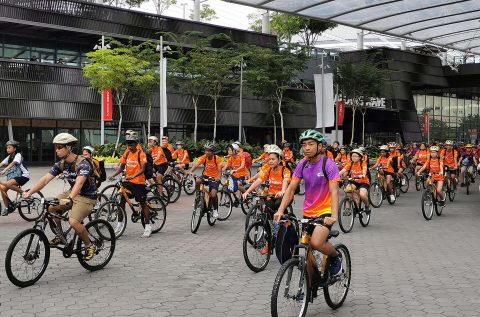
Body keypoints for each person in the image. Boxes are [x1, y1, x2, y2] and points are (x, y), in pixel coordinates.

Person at [274, 129, 343, 277]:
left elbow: (334, 192)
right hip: (308, 212)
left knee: (317, 243)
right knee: (307, 249)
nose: (307, 148)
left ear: (320, 146)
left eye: (311, 144)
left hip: (325, 212)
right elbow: (291, 189)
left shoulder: (329, 165)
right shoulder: (302, 164)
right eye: (304, 145)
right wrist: (280, 210)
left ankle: (336, 256)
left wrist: (334, 216)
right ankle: (308, 288)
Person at [23, 133, 97, 260]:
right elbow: (45, 179)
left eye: (59, 147)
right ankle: (61, 237)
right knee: (51, 209)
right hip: (72, 192)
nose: (56, 150)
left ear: (68, 148)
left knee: (73, 221)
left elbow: (79, 183)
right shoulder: (61, 164)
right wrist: (29, 192)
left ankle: (89, 245)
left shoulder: (83, 164)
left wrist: (69, 199)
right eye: (56, 147)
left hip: (87, 196)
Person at [243, 144, 291, 254]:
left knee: (279, 206)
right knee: (267, 215)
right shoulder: (268, 170)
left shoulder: (285, 170)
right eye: (269, 159)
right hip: (271, 196)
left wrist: (283, 191)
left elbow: (286, 181)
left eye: (273, 159)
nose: (270, 161)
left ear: (279, 159)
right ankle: (269, 241)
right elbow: (259, 181)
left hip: (283, 197)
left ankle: (287, 228)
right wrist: (247, 191)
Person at [109, 133, 151, 237]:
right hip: (128, 181)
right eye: (128, 144)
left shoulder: (141, 153)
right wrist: (113, 175)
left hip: (139, 182)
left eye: (132, 144)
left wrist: (133, 176)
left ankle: (147, 226)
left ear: (136, 144)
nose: (130, 146)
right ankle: (120, 224)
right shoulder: (127, 152)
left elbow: (143, 169)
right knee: (121, 201)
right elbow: (122, 166)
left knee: (143, 203)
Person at [188, 143, 223, 218]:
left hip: (215, 177)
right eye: (206, 150)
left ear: (213, 152)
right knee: (197, 181)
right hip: (205, 175)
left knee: (213, 195)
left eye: (209, 151)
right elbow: (196, 165)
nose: (207, 152)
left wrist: (218, 178)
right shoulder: (204, 157)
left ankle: (215, 210)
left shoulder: (217, 158)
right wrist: (191, 171)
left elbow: (220, 170)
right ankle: (198, 198)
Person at [0, 141, 29, 216]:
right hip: (14, 177)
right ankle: (7, 208)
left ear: (15, 148)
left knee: (7, 184)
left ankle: (23, 193)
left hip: (23, 176)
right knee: (2, 189)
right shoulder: (9, 157)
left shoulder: (18, 155)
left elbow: (13, 163)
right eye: (7, 148)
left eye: (9, 147)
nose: (7, 149)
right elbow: (1, 163)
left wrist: (4, 170)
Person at [340, 148, 370, 213]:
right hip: (354, 181)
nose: (353, 157)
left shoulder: (363, 163)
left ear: (360, 157)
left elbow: (364, 170)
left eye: (355, 156)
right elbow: (343, 171)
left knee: (362, 195)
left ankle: (367, 205)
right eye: (352, 156)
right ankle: (348, 208)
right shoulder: (350, 164)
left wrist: (362, 175)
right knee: (347, 190)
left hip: (364, 182)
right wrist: (335, 176)